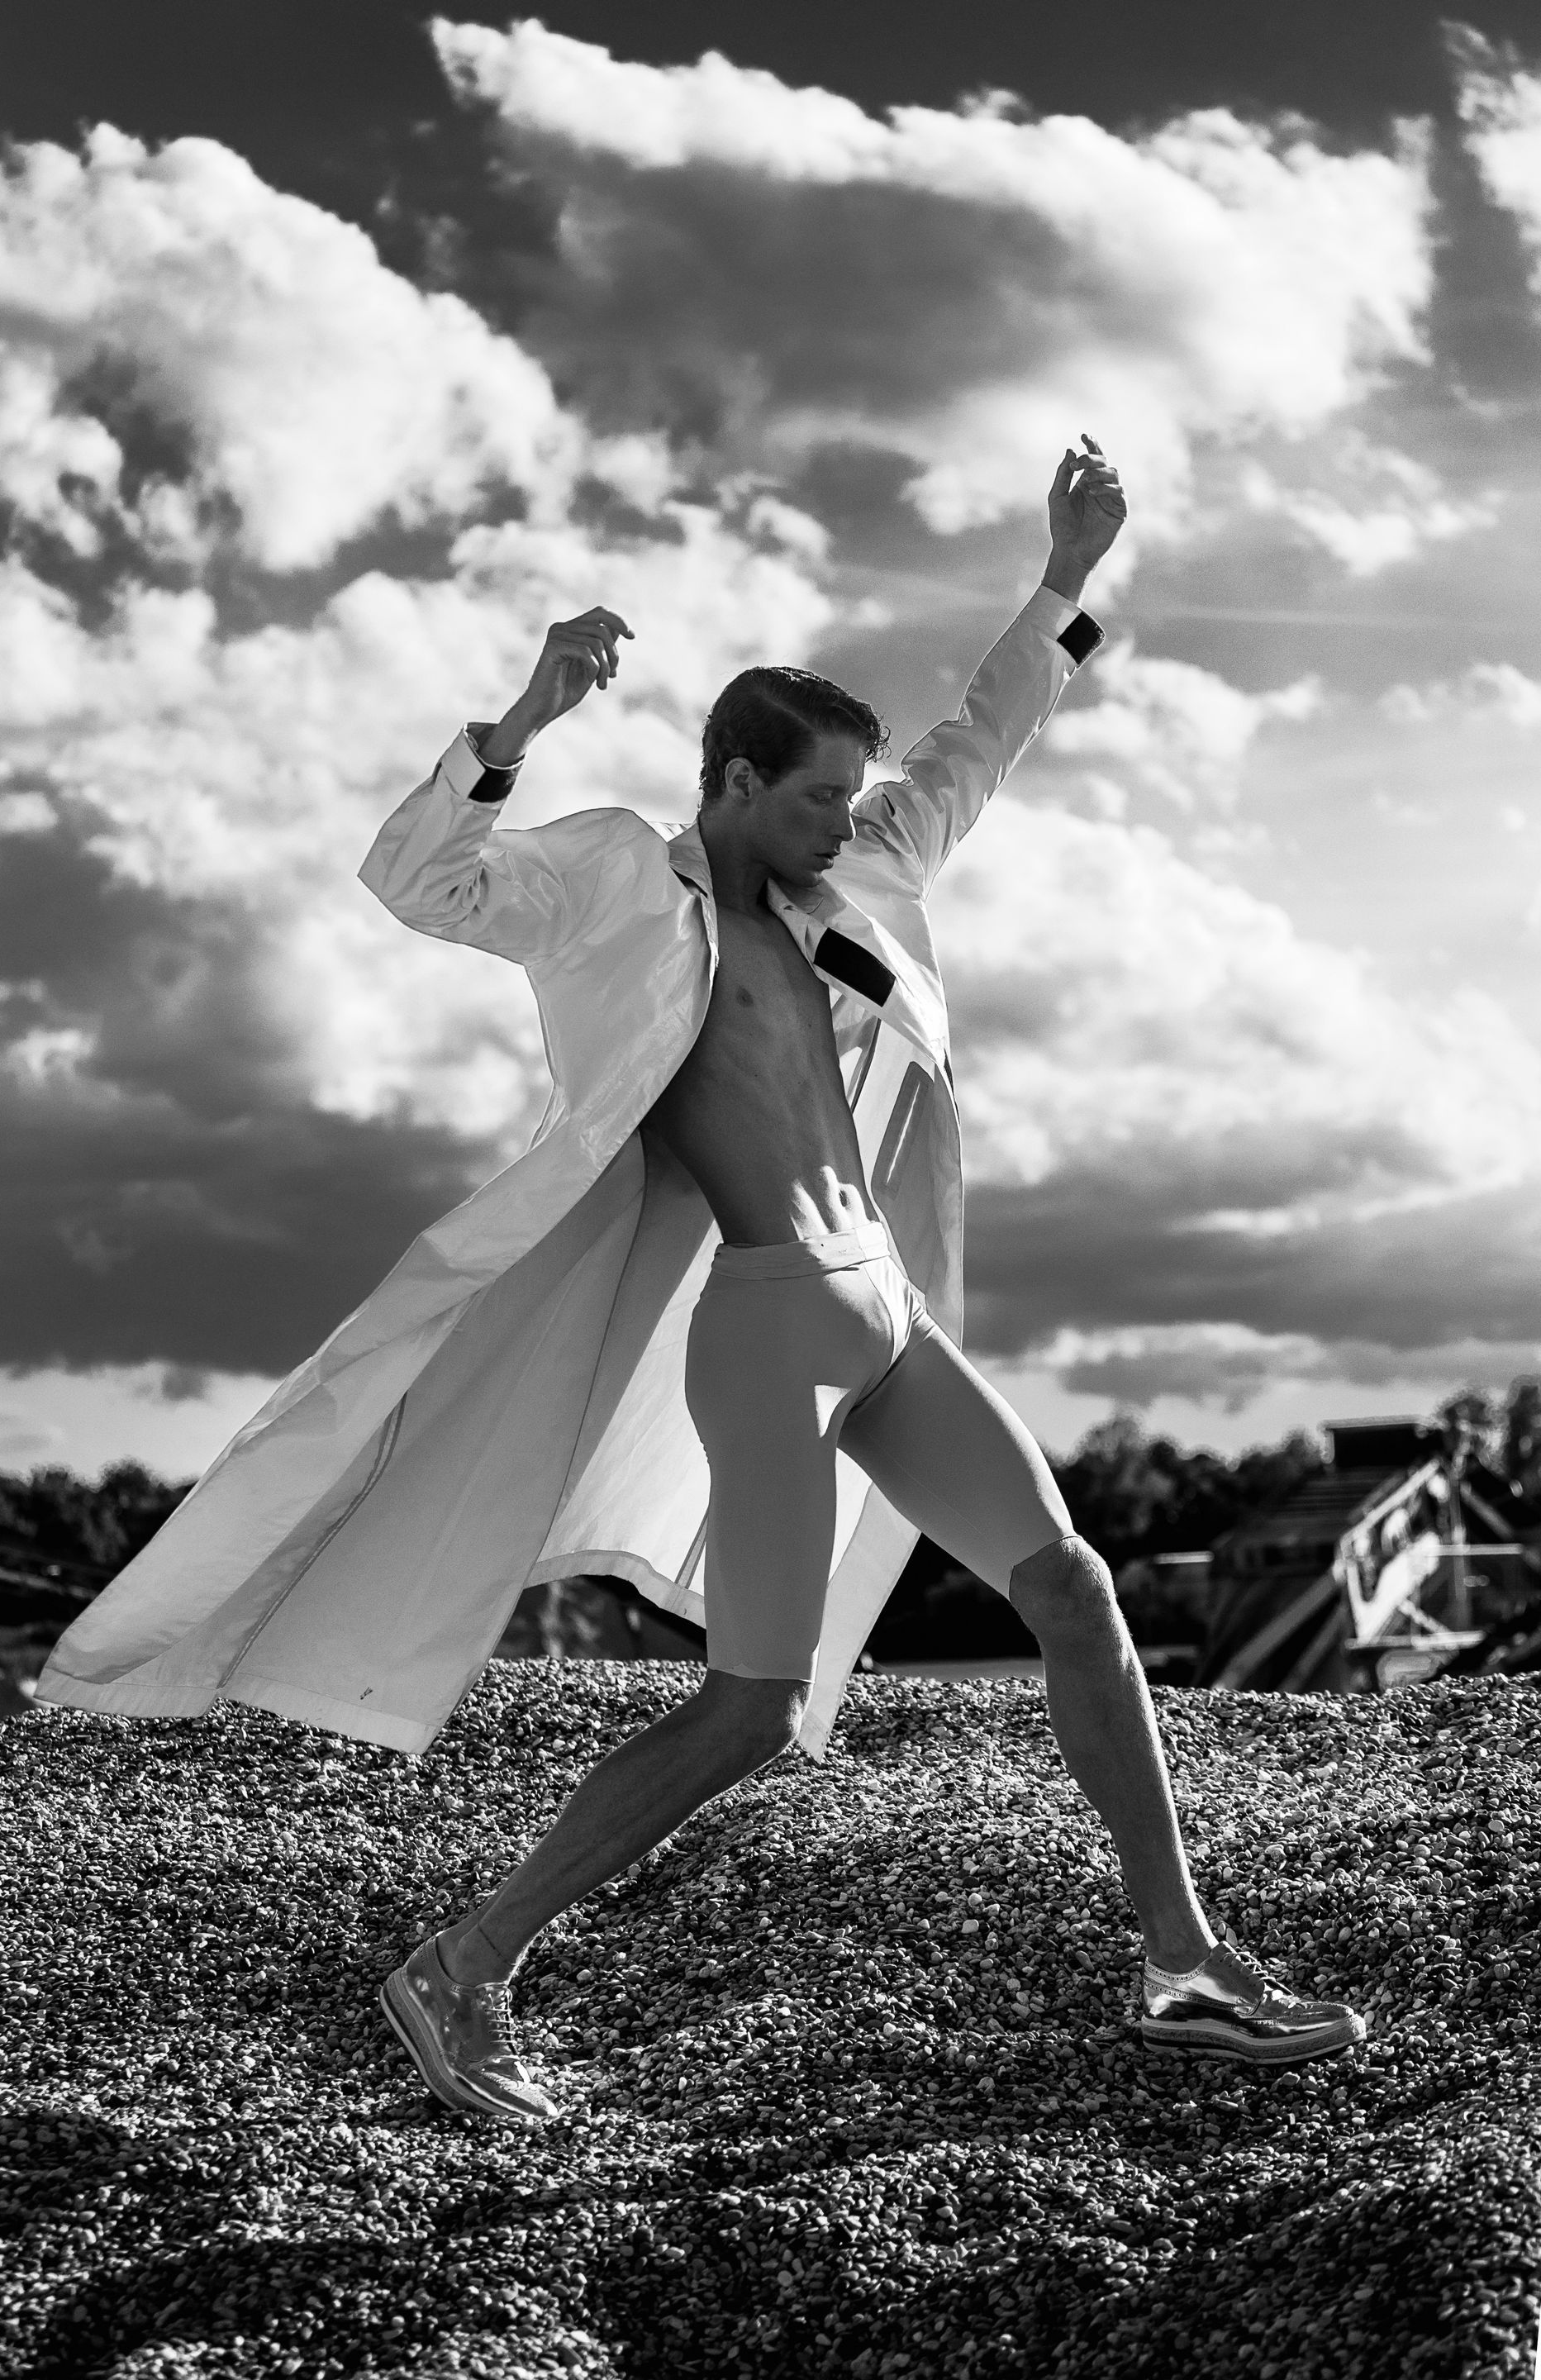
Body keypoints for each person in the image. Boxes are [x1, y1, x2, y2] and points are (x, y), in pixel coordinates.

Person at [371, 438, 1367, 2123]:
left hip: (881, 1306)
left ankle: (1183, 1961)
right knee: (751, 1707)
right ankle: (462, 1966)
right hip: (765, 1330)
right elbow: (420, 880)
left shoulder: (865, 885)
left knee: (1071, 1587)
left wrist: (1062, 581)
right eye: (822, 792)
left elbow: (982, 735)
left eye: (855, 794)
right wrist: (524, 721)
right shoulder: (623, 884)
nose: (855, 814)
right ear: (736, 781)